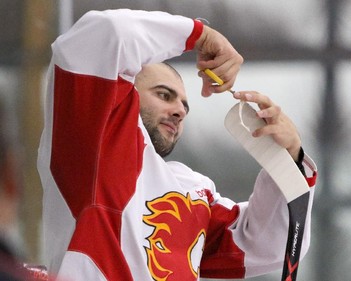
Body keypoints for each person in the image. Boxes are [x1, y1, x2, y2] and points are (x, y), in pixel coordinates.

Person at [37, 8, 317, 281]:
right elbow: (102, 36)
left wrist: (289, 157)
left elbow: (270, 246)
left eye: (184, 105)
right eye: (163, 94)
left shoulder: (192, 187)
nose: (179, 111)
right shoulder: (92, 144)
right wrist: (200, 35)